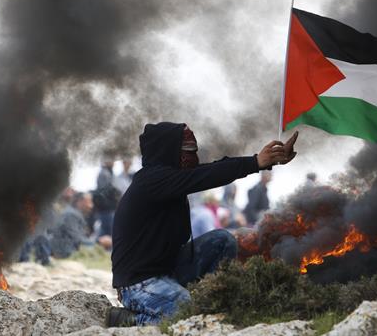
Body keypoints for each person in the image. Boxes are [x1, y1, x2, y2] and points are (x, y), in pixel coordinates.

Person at [108, 122, 297, 326]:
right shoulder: (152, 180)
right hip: (138, 282)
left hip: (168, 269)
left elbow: (210, 168)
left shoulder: (171, 178)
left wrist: (262, 162)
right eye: (188, 150)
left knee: (222, 240)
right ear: (168, 151)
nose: (193, 156)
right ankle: (126, 319)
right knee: (188, 313)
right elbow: (206, 175)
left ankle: (209, 295)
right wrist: (256, 162)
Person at [49, 191, 93, 258]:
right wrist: (98, 242)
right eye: (89, 202)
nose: (91, 206)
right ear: (79, 202)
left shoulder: (74, 213)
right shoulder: (71, 215)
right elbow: (76, 237)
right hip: (63, 251)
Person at [92, 156, 120, 247]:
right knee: (107, 233)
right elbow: (103, 192)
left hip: (108, 209)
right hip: (106, 209)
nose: (113, 162)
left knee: (108, 232)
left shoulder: (109, 172)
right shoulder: (104, 173)